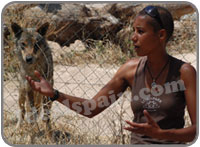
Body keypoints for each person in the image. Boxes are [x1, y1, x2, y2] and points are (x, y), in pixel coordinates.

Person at [26, 5, 196, 144]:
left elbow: (196, 131)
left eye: (140, 32)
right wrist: (54, 94)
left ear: (161, 35)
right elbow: (90, 109)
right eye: (133, 30)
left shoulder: (184, 72)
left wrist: (163, 134)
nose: (133, 37)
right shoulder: (130, 70)